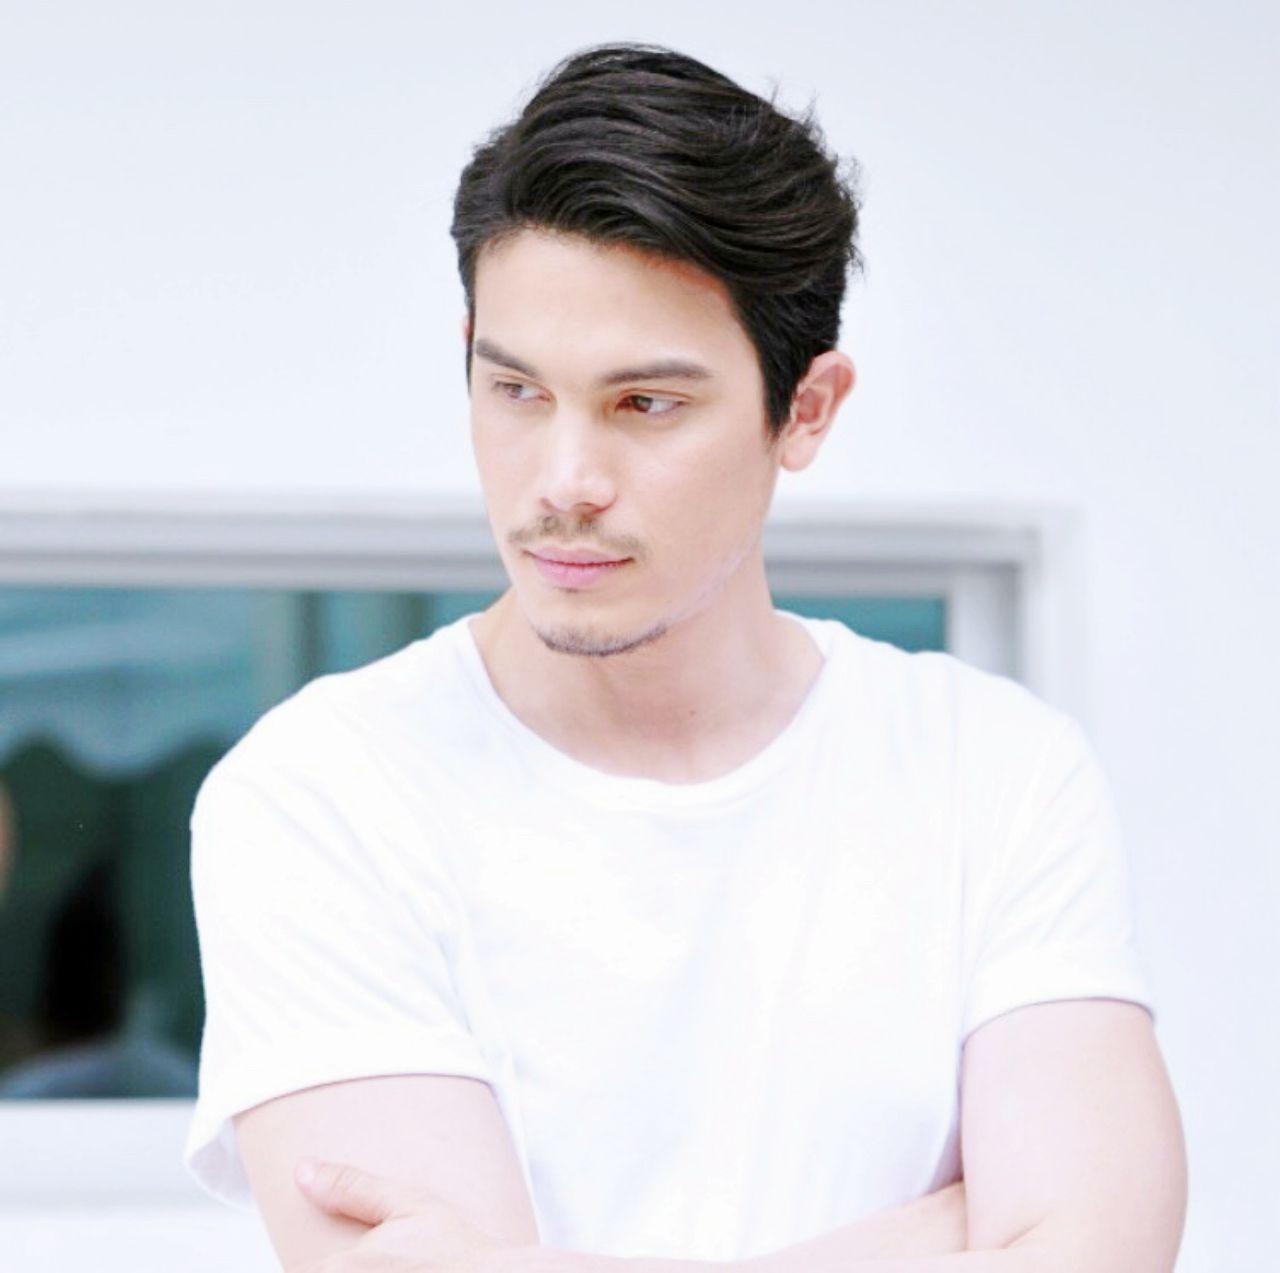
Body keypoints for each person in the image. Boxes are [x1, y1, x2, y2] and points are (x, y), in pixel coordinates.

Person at [182, 41, 1187, 1273]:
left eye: (644, 404)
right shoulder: (319, 792)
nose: (563, 481)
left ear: (804, 408)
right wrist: (952, 1232)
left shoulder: (995, 770)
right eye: (516, 391)